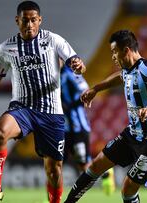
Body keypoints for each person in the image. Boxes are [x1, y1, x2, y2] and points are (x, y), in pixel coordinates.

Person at [0, 1, 86, 203]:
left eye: (33, 20)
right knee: (0, 131)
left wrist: (79, 66)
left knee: (54, 169)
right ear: (17, 21)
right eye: (25, 20)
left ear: (40, 20)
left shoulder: (54, 40)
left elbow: (75, 61)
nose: (29, 24)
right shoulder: (5, 49)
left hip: (51, 113)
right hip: (23, 109)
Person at [63, 30, 147, 203]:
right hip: (134, 134)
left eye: (114, 51)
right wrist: (96, 89)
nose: (113, 57)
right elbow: (120, 77)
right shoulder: (128, 70)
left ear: (126, 50)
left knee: (128, 188)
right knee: (95, 166)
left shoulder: (146, 67)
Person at [60, 64, 115, 194]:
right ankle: (51, 199)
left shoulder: (70, 74)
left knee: (83, 165)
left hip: (77, 127)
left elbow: (85, 91)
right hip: (60, 128)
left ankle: (105, 174)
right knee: (52, 163)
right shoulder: (50, 74)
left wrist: (68, 104)